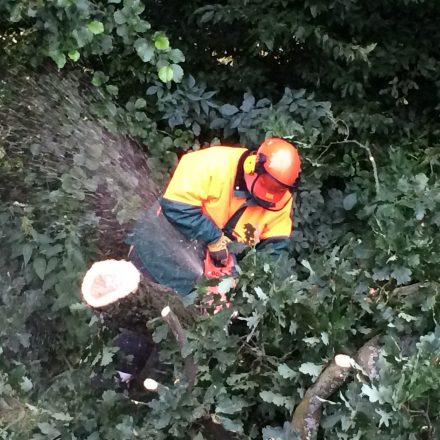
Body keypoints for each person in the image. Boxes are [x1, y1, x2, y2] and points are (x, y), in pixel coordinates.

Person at [160, 137, 301, 267]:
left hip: (204, 268)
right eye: (267, 185)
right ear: (252, 165)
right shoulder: (213, 163)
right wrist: (214, 238)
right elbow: (175, 205)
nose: (269, 192)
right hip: (169, 233)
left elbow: (274, 248)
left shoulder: (279, 200)